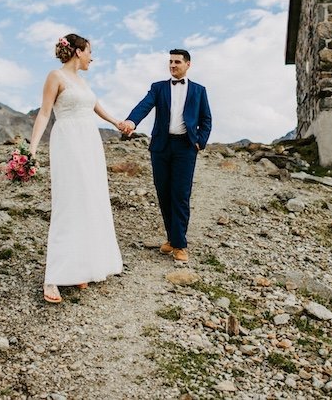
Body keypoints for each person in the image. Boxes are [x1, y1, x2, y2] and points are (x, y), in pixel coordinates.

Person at [29, 34, 124, 304]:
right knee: (69, 203)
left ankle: (79, 268)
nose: (92, 58)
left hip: (90, 143)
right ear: (78, 51)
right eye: (90, 52)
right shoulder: (55, 77)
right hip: (68, 142)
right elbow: (45, 113)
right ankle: (53, 277)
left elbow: (96, 108)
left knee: (90, 201)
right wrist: (32, 150)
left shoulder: (82, 82)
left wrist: (118, 123)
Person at [119, 49, 212, 263]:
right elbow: (145, 105)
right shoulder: (158, 87)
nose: (172, 65)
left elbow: (206, 119)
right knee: (164, 193)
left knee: (180, 194)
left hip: (186, 148)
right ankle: (172, 238)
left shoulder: (199, 91)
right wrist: (132, 122)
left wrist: (200, 141)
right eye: (170, 61)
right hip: (161, 146)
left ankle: (180, 244)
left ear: (188, 64)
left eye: (177, 62)